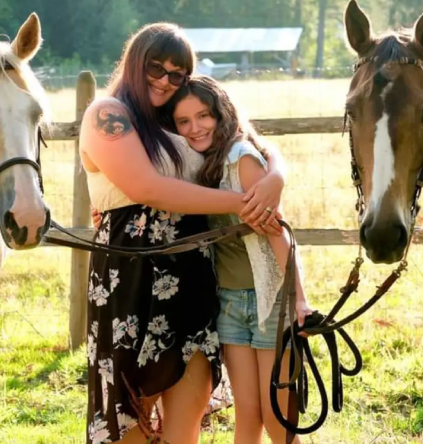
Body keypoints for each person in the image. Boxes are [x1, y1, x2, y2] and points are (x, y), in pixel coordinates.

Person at [77, 22, 288, 444]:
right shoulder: (107, 115)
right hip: (130, 279)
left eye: (177, 74)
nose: (166, 81)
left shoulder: (179, 120)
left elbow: (246, 141)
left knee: (187, 409)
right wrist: (244, 204)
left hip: (191, 276)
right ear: (136, 62)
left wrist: (277, 176)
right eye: (157, 68)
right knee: (129, 414)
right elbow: (147, 189)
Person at [168, 75, 312, 444]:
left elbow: (278, 232)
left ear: (221, 114)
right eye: (183, 121)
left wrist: (298, 298)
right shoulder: (198, 164)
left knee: (277, 417)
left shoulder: (240, 158)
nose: (195, 128)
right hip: (230, 303)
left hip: (270, 300)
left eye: (203, 116)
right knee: (247, 414)